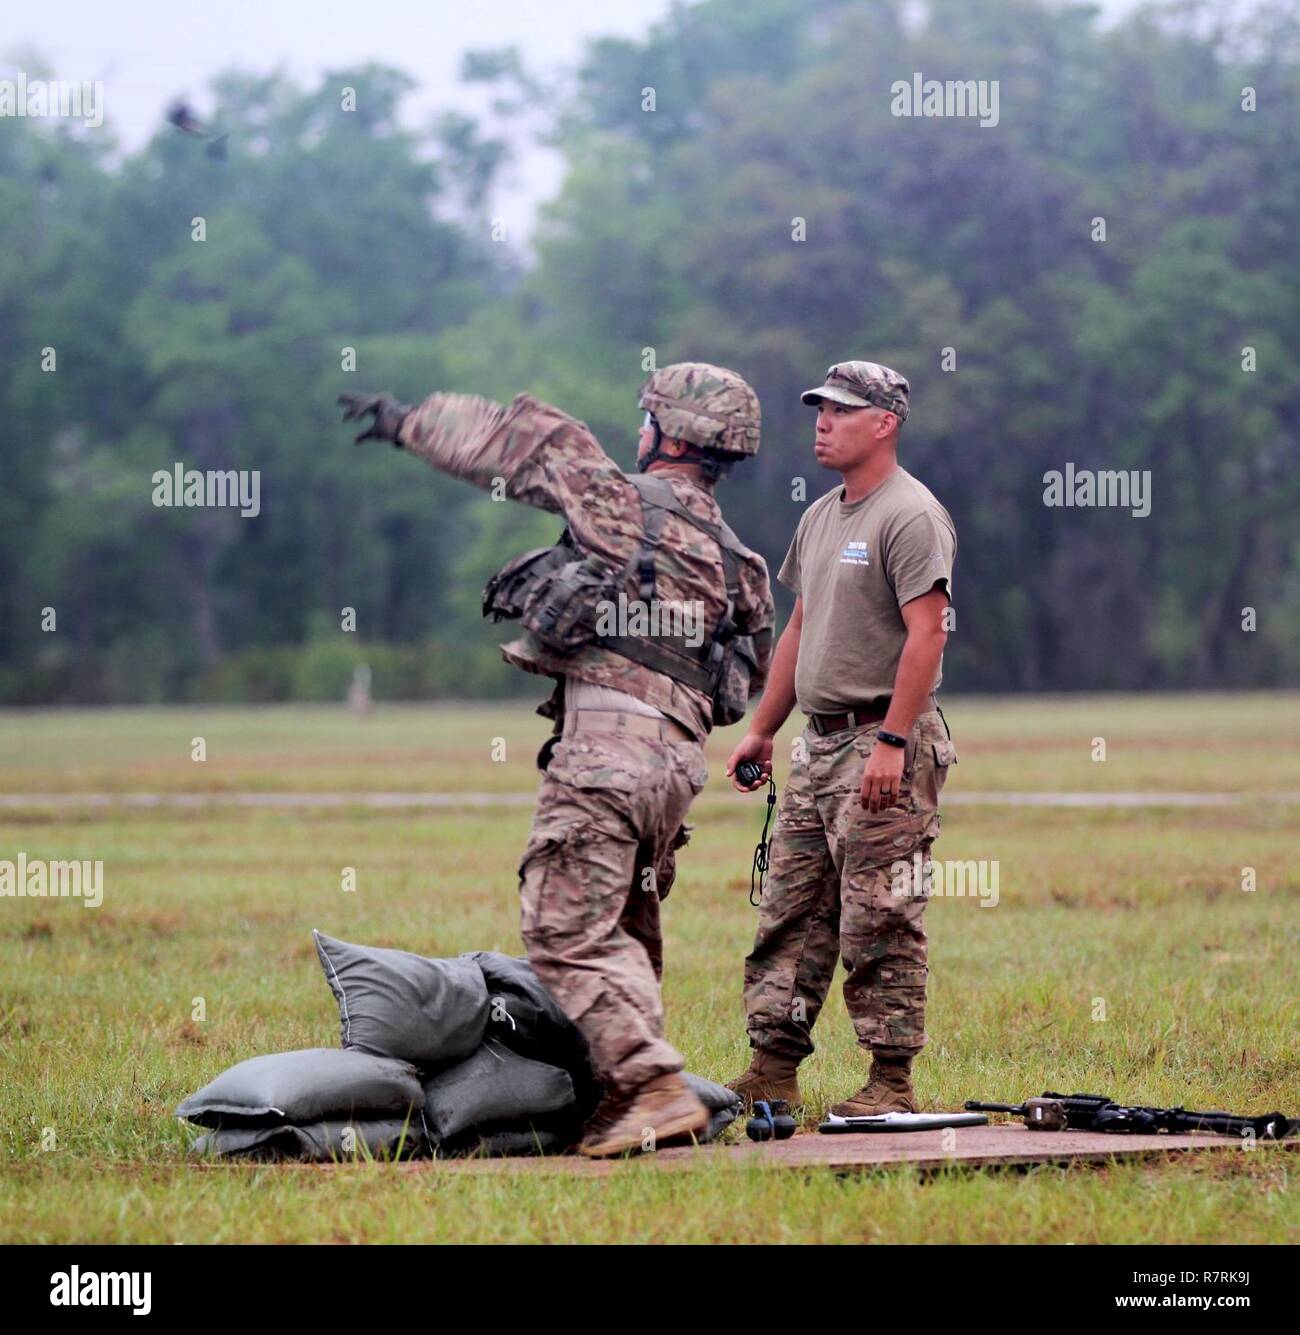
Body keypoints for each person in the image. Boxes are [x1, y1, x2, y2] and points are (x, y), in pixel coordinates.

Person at [340, 364, 774, 1155]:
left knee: (565, 927)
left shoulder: (622, 502)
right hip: (676, 770)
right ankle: (624, 1100)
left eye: (647, 417)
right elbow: (742, 680)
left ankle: (650, 1082)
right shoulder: (739, 561)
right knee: (625, 931)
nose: (637, 429)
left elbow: (525, 449)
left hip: (606, 756)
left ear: (670, 434)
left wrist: (411, 423)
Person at [724, 360, 957, 1118]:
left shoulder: (910, 514)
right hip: (818, 746)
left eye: (841, 411)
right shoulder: (822, 514)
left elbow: (929, 634)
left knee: (880, 914)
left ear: (884, 423)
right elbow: (799, 625)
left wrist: (892, 740)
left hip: (880, 741)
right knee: (792, 912)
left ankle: (891, 1081)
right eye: (819, 410)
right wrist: (762, 727)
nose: (822, 422)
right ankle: (771, 1068)